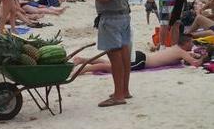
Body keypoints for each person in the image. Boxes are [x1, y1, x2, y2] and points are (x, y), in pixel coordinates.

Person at [88, 0, 132, 107]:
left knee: (115, 55)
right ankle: (124, 90)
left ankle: (118, 95)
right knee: (124, 53)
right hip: (124, 14)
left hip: (111, 17)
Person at [73, 35, 205, 74]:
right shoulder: (181, 52)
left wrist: (193, 55)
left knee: (114, 63)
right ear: (186, 43)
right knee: (115, 68)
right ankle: (86, 68)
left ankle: (82, 60)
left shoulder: (175, 48)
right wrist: (204, 57)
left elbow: (188, 56)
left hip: (141, 56)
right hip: (142, 62)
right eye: (191, 43)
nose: (192, 46)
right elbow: (195, 64)